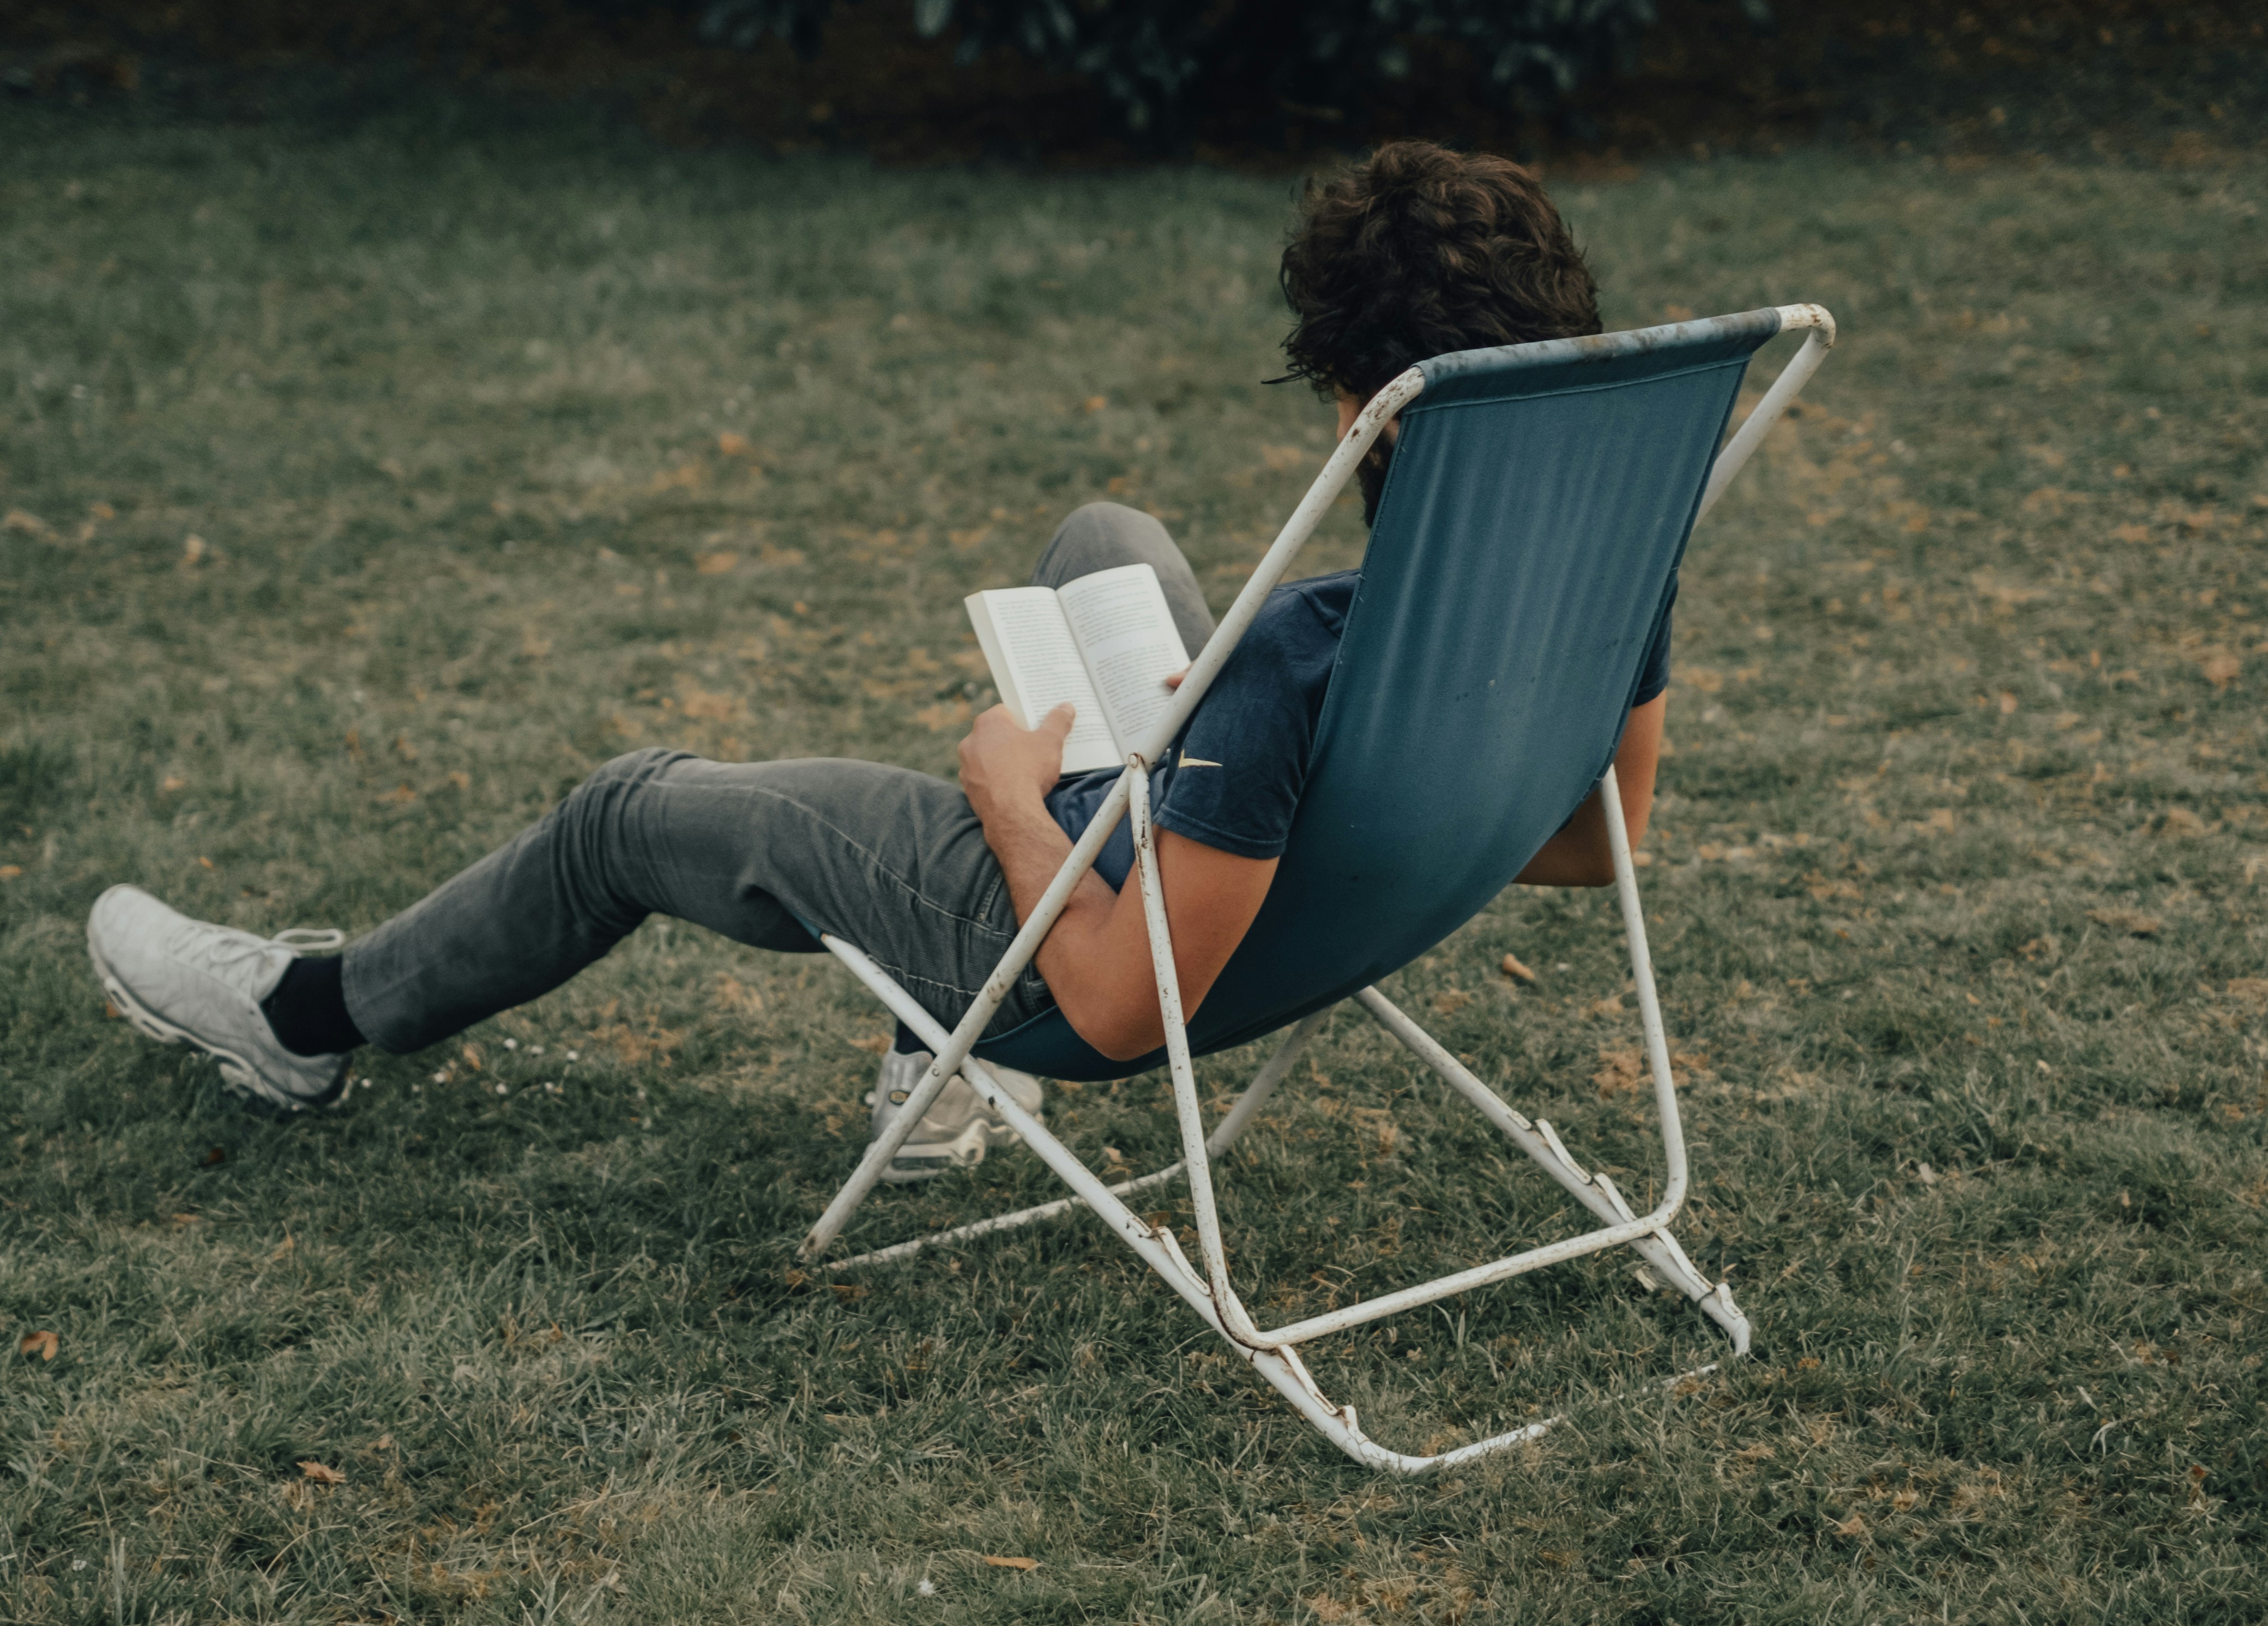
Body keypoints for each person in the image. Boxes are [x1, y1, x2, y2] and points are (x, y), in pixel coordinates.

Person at [86, 142, 1673, 1174]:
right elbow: (1601, 849)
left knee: (631, 811)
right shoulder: (1610, 578)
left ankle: (303, 1019)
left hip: (1102, 954)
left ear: (1349, 397)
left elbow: (1125, 1016)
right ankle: (941, 1054)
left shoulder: (1286, 662)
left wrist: (1005, 797)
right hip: (1288, 891)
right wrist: (1367, 842)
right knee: (1108, 540)